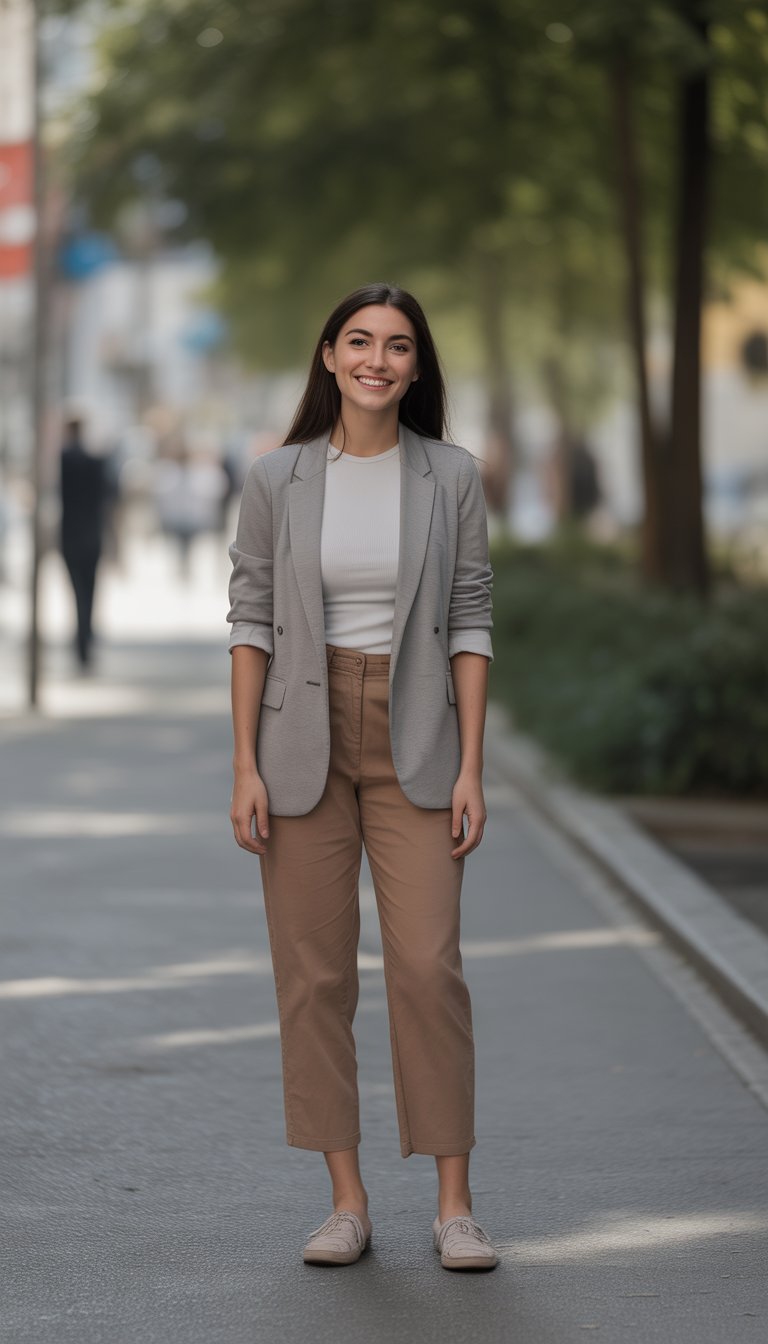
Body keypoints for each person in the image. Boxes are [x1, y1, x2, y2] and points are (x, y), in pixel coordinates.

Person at [226, 283, 498, 1272]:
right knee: (316, 976)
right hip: (300, 737)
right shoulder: (278, 478)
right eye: (358, 342)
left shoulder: (453, 477)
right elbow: (249, 618)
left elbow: (471, 616)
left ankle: (456, 1206)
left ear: (417, 367)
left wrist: (473, 764)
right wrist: (243, 763)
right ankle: (346, 1200)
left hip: (417, 732)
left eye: (396, 346)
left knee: (428, 967)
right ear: (330, 357)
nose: (376, 360)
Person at [58, 416, 107, 667]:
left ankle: (82, 642)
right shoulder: (96, 461)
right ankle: (86, 637)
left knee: (77, 590)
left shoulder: (63, 460)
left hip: (70, 534)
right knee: (90, 589)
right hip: (93, 534)